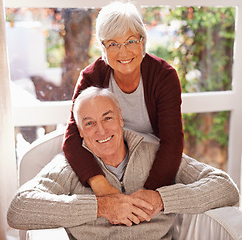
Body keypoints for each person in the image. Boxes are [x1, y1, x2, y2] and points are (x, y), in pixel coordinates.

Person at [7, 87, 239, 239]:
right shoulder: (68, 166)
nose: (101, 130)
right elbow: (19, 209)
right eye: (89, 123)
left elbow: (224, 186)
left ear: (120, 117)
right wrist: (101, 207)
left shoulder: (157, 155)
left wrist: (161, 199)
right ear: (79, 131)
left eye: (107, 118)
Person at [63, 1, 184, 196]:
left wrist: (148, 193)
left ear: (142, 40)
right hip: (106, 166)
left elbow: (172, 142)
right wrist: (101, 185)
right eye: (113, 44)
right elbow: (72, 138)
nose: (123, 52)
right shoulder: (91, 78)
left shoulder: (163, 76)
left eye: (131, 41)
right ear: (103, 47)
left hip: (152, 164)